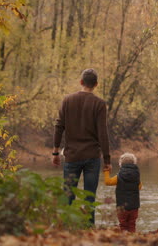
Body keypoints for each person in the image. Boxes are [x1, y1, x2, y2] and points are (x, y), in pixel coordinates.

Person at [52, 68, 112, 225]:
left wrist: (55, 152)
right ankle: (88, 229)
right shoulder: (99, 104)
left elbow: (59, 126)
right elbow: (102, 133)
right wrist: (107, 159)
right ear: (96, 84)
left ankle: (66, 228)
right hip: (92, 157)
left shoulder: (67, 100)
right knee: (89, 196)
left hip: (72, 156)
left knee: (68, 195)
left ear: (81, 82)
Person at [104, 152, 142, 232]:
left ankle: (124, 240)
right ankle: (132, 240)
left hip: (122, 207)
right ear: (134, 163)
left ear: (120, 164)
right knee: (132, 224)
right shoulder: (136, 176)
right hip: (134, 206)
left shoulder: (119, 177)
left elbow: (108, 182)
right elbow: (140, 187)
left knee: (123, 225)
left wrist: (106, 171)